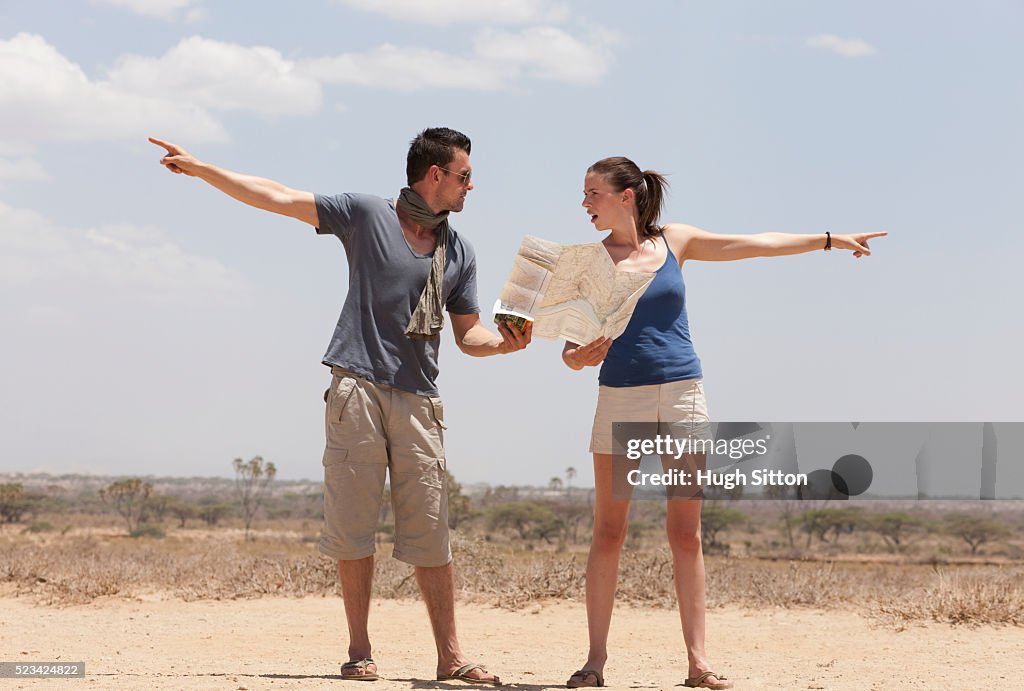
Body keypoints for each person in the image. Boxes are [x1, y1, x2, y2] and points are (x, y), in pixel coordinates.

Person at [150, 128, 532, 685]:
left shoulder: (460, 252)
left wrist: (506, 343)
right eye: (465, 175)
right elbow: (276, 195)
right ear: (435, 176)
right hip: (355, 387)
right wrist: (205, 169)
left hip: (420, 398)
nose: (472, 185)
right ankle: (359, 653)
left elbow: (470, 335)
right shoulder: (365, 214)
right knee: (354, 525)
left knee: (431, 530)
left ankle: (450, 658)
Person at [561, 156, 886, 689]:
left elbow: (755, 243)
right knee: (609, 531)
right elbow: (571, 350)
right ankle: (594, 662)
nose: (584, 204)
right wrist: (580, 357)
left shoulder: (676, 240)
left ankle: (698, 662)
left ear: (626, 196)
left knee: (685, 533)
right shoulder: (584, 263)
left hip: (684, 394)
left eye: (592, 193)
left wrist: (829, 238)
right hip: (620, 396)